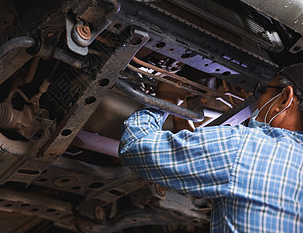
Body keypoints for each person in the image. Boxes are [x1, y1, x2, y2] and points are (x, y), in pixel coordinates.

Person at [119, 63, 303, 232]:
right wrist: (183, 128)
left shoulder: (249, 146)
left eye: (263, 91)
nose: (257, 101)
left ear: (285, 98)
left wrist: (164, 101)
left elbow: (137, 146)